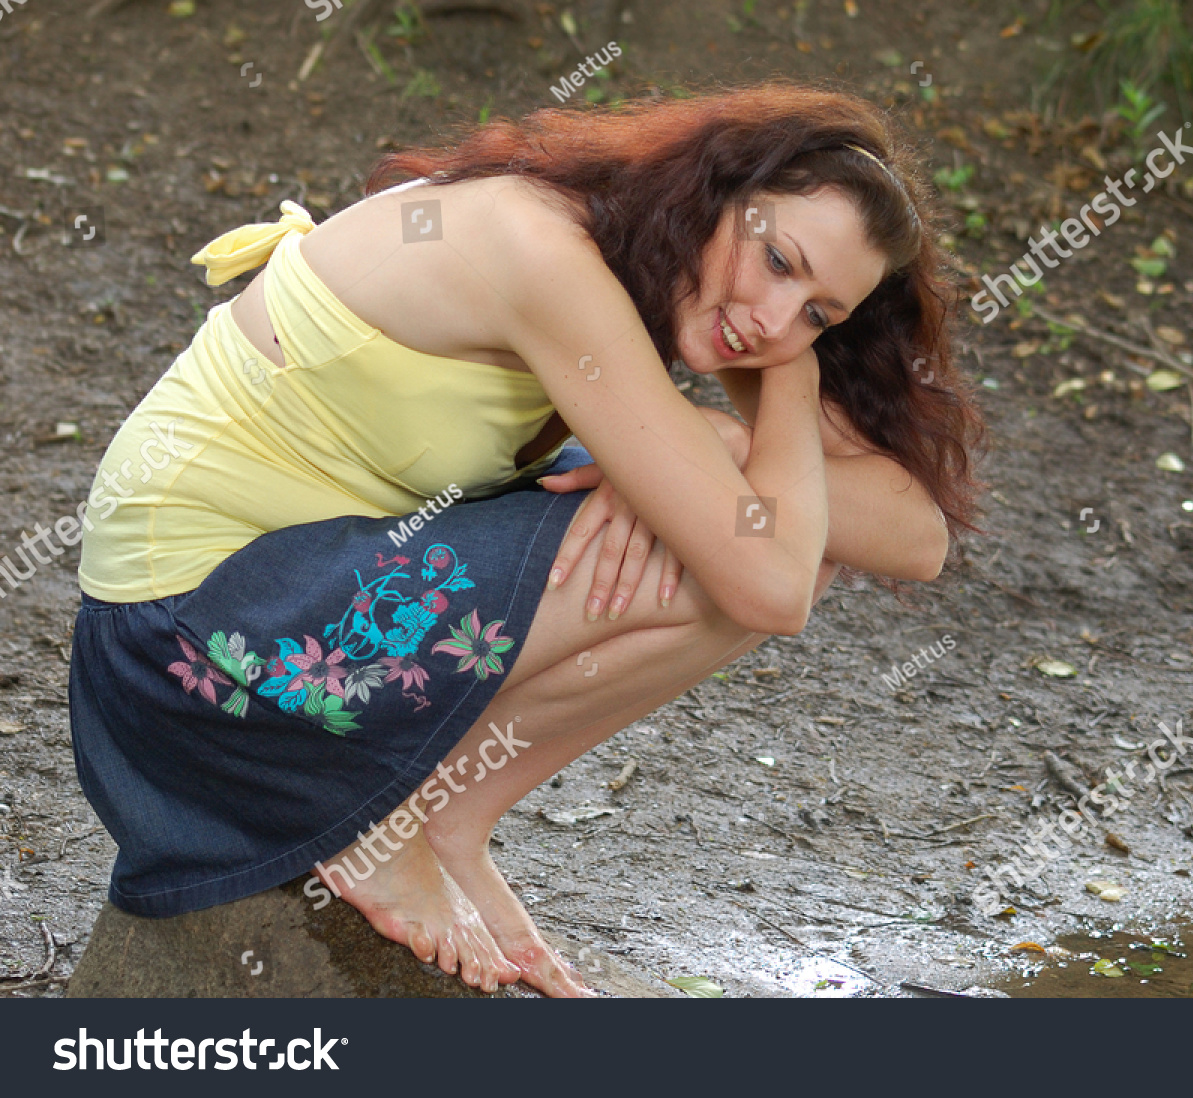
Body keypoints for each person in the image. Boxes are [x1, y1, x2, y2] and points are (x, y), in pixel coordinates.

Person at [68, 82, 985, 997]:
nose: (776, 322)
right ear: (717, 191)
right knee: (733, 546)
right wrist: (769, 407)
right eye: (779, 260)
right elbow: (772, 589)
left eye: (823, 314)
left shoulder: (666, 266)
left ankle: (445, 819)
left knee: (761, 517)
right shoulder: (539, 250)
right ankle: (382, 826)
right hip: (185, 652)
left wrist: (732, 436)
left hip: (279, 600)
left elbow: (917, 536)